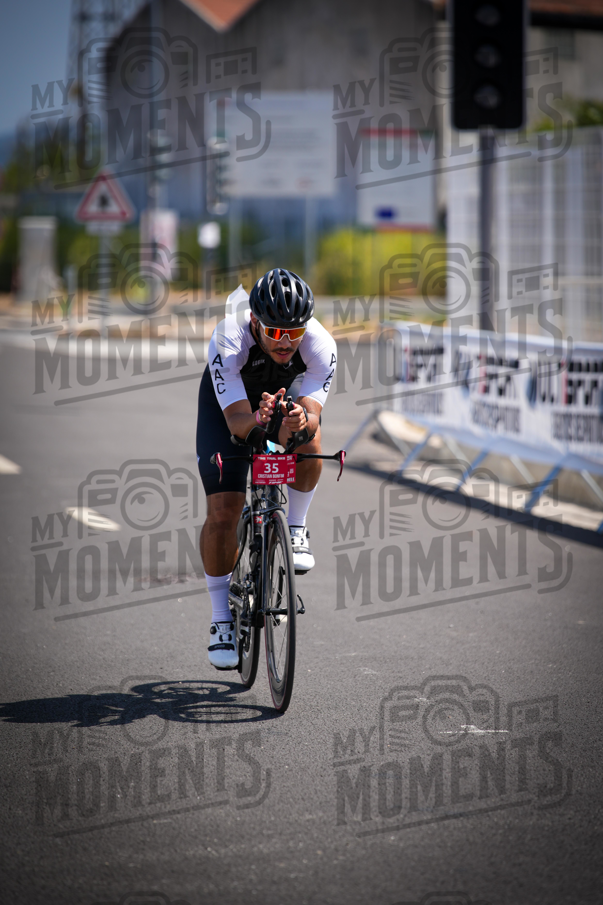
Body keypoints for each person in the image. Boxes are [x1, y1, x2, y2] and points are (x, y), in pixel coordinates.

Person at [196, 268, 337, 669]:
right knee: (223, 512)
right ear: (255, 321)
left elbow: (312, 415)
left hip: (283, 395)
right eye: (275, 333)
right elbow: (239, 422)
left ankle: (295, 527)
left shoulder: (320, 344)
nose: (285, 343)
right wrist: (259, 424)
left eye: (294, 333)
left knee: (310, 441)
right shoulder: (229, 336)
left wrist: (297, 422)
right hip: (233, 407)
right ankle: (222, 619)